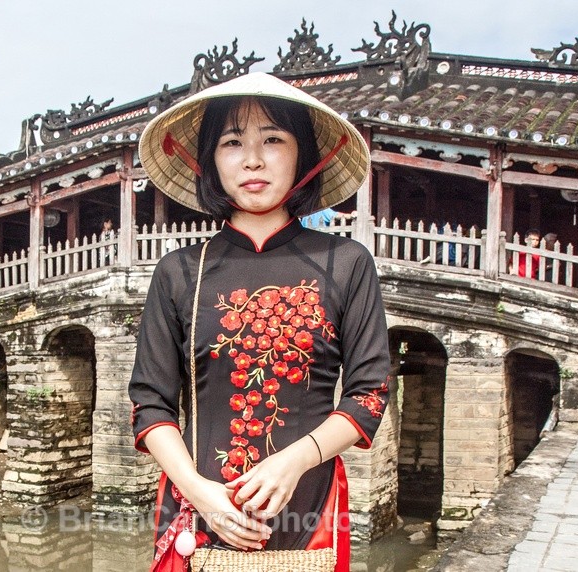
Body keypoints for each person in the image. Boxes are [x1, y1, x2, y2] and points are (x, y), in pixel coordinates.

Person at [129, 72, 391, 572]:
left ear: (303, 155)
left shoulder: (345, 262)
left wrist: (293, 462)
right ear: (209, 162)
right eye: (232, 142)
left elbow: (369, 393)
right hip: (198, 513)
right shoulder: (182, 271)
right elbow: (150, 402)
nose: (253, 158)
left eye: (273, 139)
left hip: (307, 512)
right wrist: (200, 493)